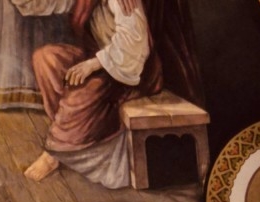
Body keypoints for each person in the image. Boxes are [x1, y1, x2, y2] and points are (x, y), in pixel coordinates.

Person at [12, 0, 203, 189]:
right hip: (101, 62)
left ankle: (54, 153)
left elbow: (134, 46)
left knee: (81, 95)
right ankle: (72, 133)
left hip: (130, 72)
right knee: (45, 59)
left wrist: (92, 65)